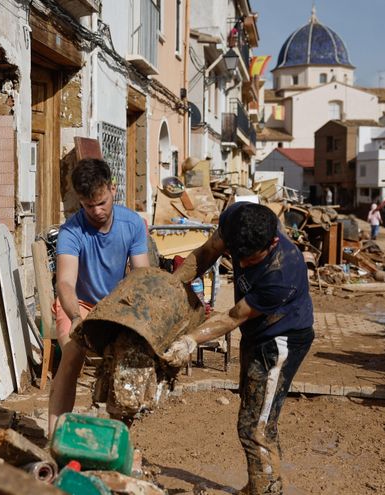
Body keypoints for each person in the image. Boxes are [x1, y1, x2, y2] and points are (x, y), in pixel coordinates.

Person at [166, 202, 314, 495]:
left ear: (272, 243)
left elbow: (233, 316)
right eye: (238, 256)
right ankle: (261, 484)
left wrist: (190, 340)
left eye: (250, 260)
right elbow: (208, 252)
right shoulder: (238, 219)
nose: (242, 264)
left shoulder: (281, 273)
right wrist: (171, 287)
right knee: (255, 413)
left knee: (255, 426)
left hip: (280, 341)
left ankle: (266, 491)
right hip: (257, 334)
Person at [48, 158, 149, 434]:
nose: (96, 211)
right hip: (78, 304)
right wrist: (76, 318)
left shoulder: (133, 224)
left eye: (101, 202)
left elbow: (141, 277)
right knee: (70, 355)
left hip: (116, 304)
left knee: (128, 364)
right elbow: (65, 284)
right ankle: (54, 437)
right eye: (88, 205)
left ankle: (117, 437)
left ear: (112, 189)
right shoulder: (71, 230)